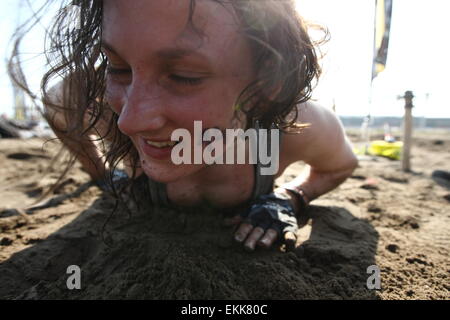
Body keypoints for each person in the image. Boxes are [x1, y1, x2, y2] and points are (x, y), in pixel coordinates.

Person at [12, 0, 358, 252]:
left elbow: (341, 165)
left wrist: (290, 197)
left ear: (268, 83)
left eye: (183, 76)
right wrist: (103, 176)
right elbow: (58, 99)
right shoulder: (107, 100)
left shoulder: (287, 129)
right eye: (118, 67)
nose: (130, 120)